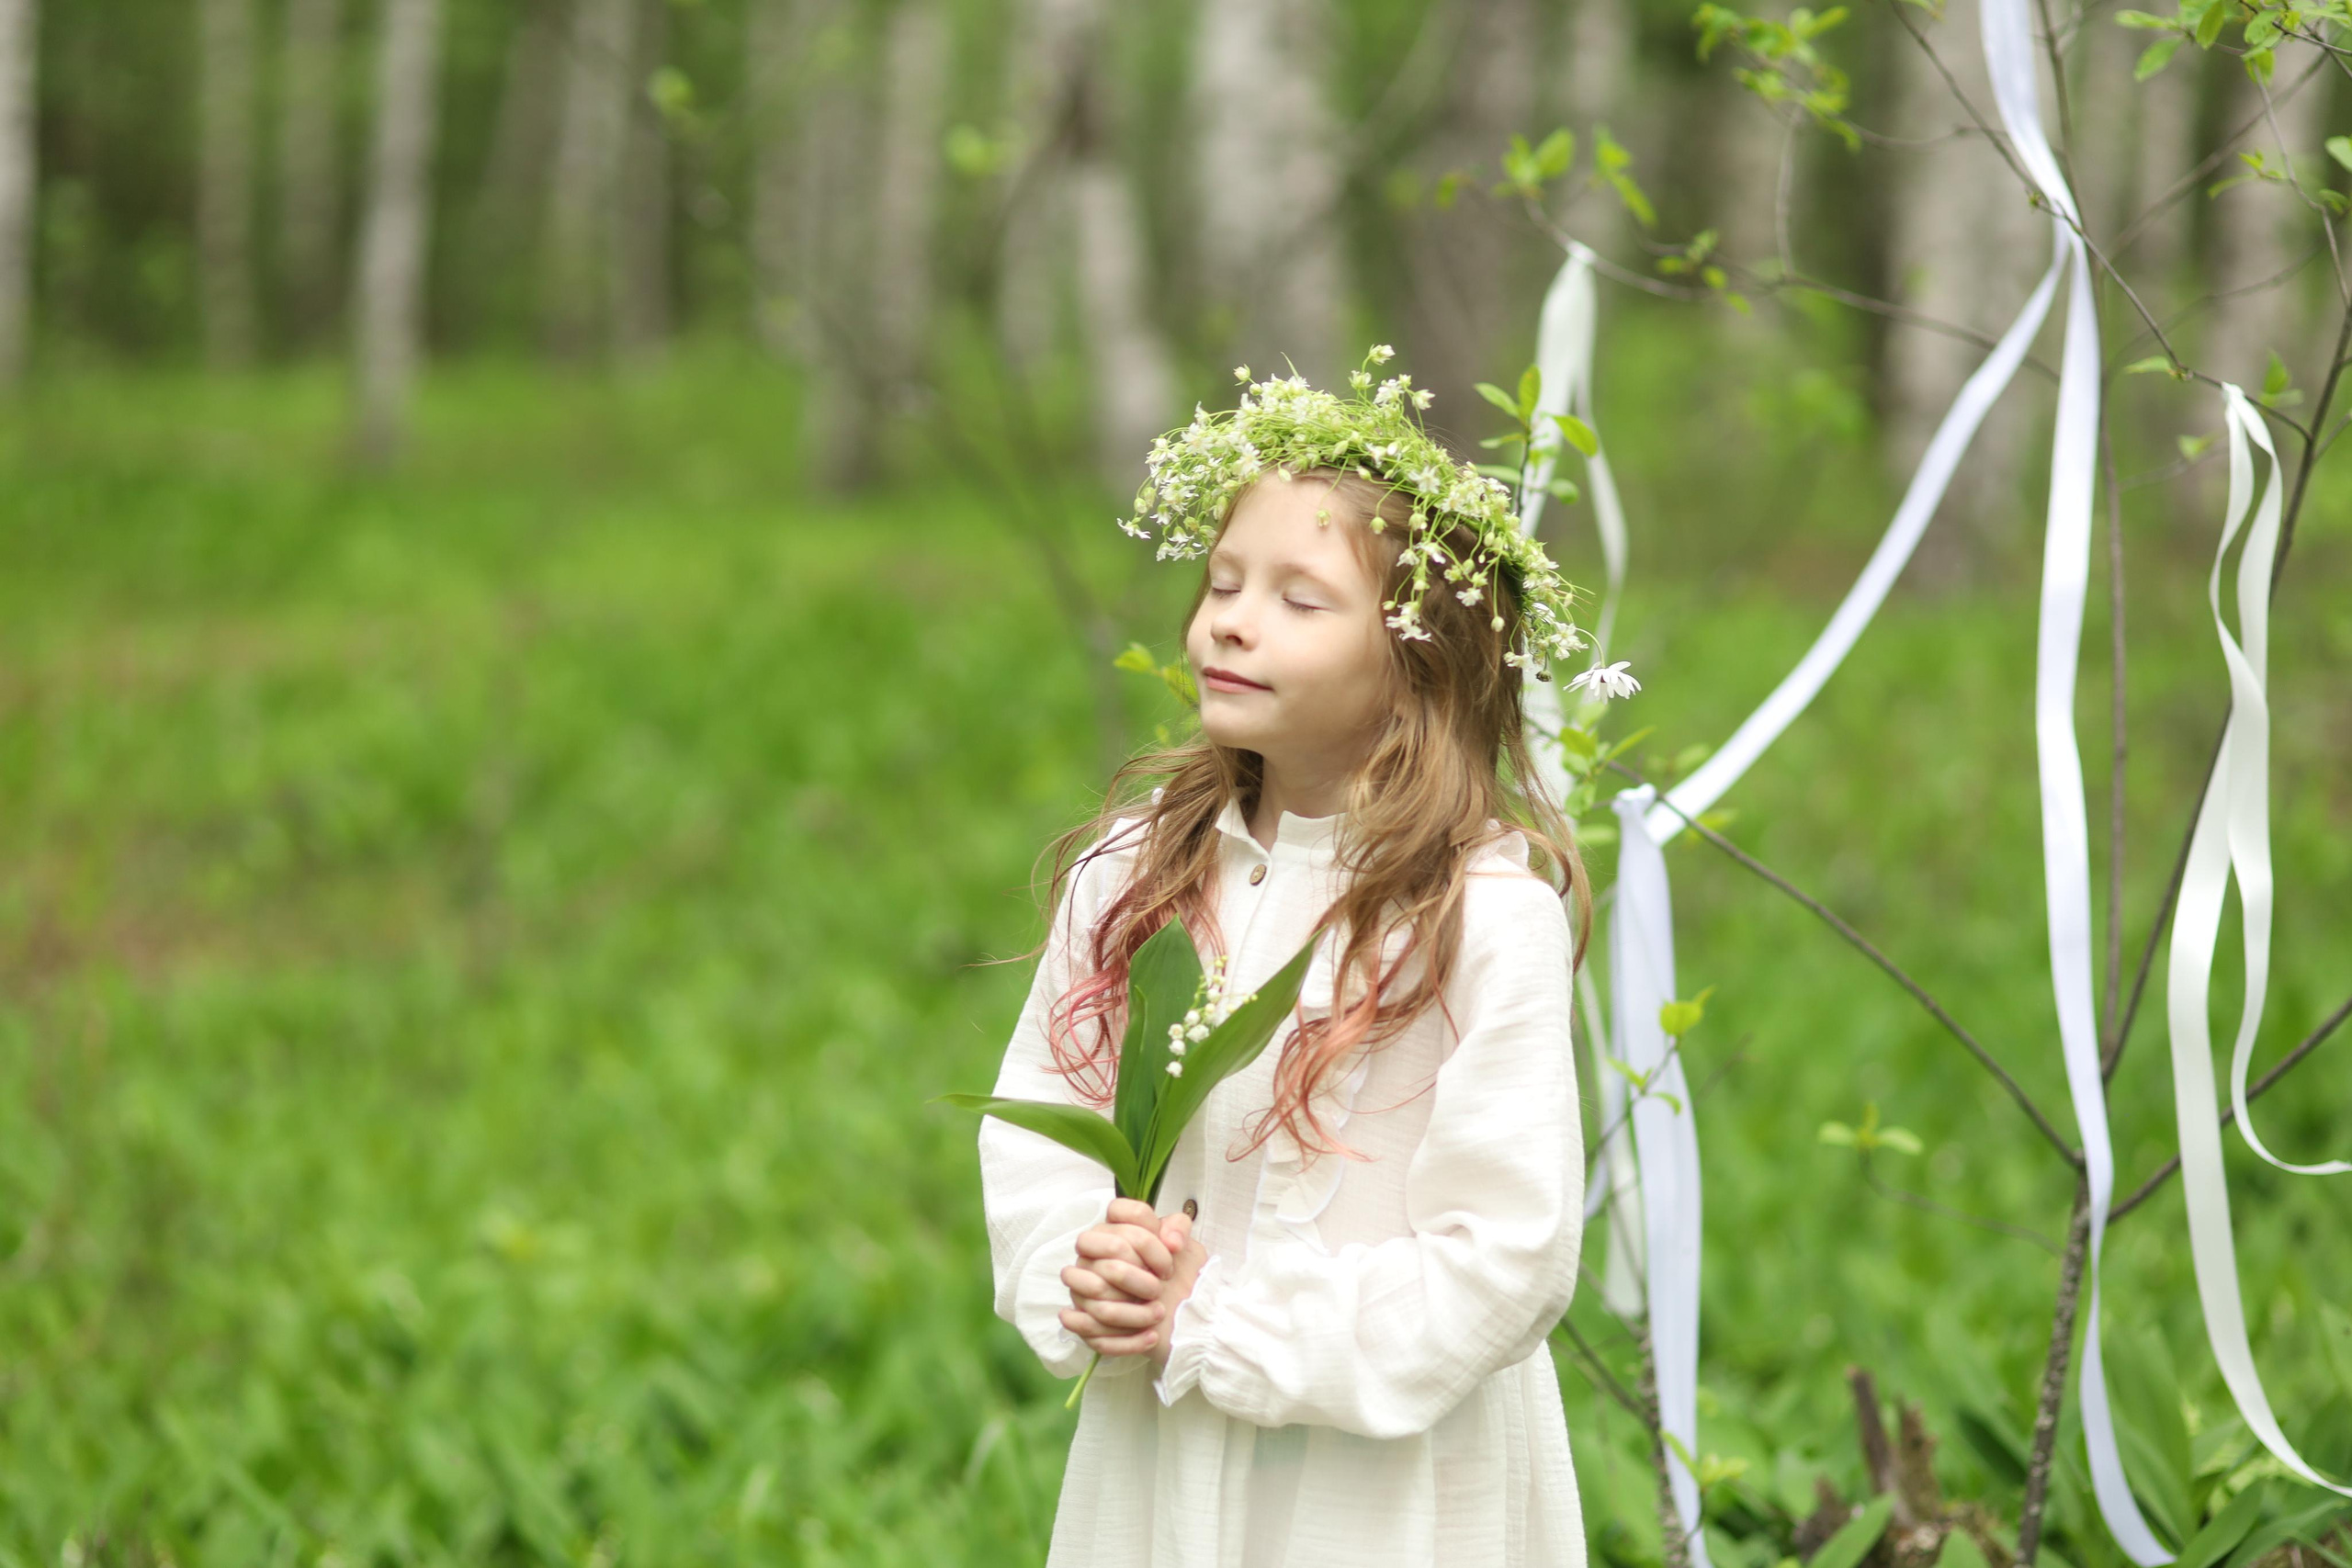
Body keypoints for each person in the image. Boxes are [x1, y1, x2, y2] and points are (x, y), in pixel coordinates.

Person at [977, 352, 1611, 1567]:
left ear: (1419, 656)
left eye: (1299, 599)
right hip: (1164, 1450)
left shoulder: (1482, 911)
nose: (1230, 618)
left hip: (1389, 1491)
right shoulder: (1135, 873)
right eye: (1222, 582)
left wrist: (1220, 1322)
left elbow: (1512, 1257)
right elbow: (1038, 1121)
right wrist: (1089, 1262)